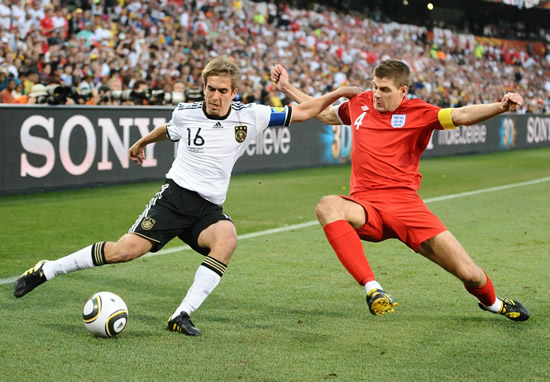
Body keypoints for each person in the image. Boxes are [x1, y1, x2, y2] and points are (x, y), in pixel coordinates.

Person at [13, 56, 360, 336]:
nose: (215, 96)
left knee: (227, 238)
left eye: (223, 90)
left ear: (234, 92)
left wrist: (340, 92)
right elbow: (170, 128)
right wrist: (141, 143)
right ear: (204, 87)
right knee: (122, 252)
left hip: (208, 209)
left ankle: (181, 314)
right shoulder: (187, 113)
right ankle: (48, 269)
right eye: (210, 89)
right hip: (174, 199)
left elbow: (303, 112)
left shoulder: (250, 116)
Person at [271, 60, 530, 321]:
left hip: (406, 207)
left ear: (403, 91)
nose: (376, 95)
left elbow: (461, 115)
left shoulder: (420, 112)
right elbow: (323, 113)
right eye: (374, 87)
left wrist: (500, 107)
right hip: (366, 207)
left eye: (384, 89)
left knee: (470, 274)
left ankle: (493, 304)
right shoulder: (360, 104)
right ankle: (373, 289)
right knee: (327, 205)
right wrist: (287, 87)